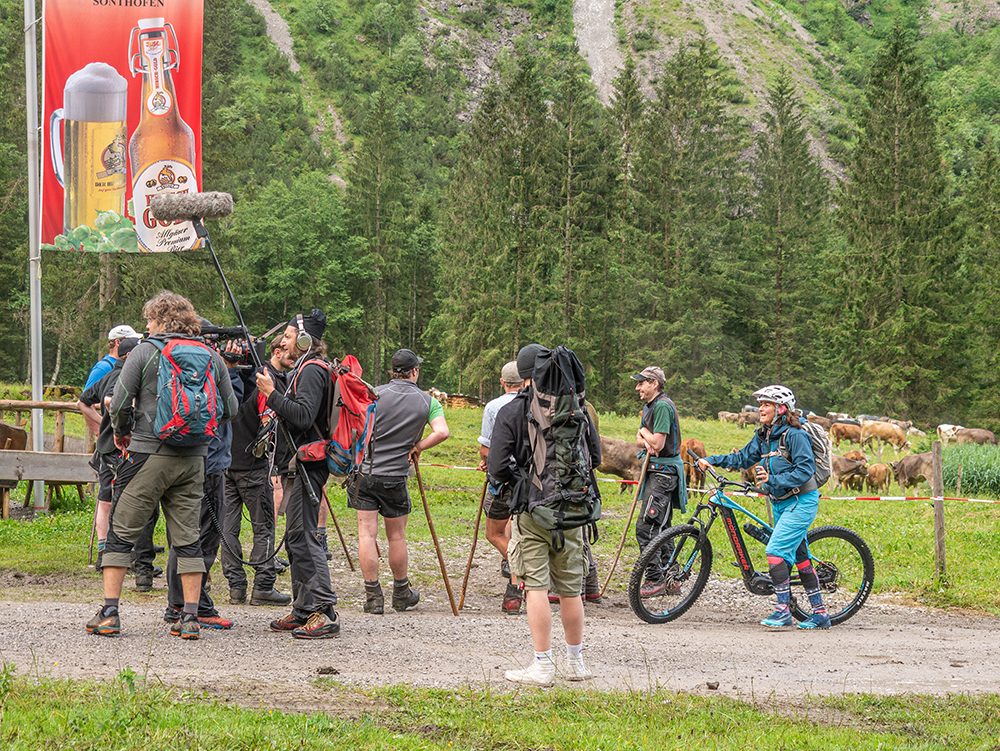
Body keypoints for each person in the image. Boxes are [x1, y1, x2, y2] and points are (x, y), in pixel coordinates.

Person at [88, 291, 237, 640]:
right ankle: (188, 619)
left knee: (122, 531)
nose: (146, 324)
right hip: (194, 460)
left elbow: (120, 403)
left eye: (149, 318)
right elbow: (229, 409)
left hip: (147, 455)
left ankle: (109, 612)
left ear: (161, 319)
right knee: (188, 540)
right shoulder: (211, 356)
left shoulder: (145, 351)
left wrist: (123, 435)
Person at [489, 344, 600, 686]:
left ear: (523, 374)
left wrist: (518, 483)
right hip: (573, 511)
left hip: (533, 511)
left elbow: (496, 466)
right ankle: (576, 663)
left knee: (534, 587)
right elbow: (594, 457)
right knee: (571, 590)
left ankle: (542, 665)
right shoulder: (576, 408)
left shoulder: (513, 411)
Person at [698, 385, 831, 629]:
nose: (760, 408)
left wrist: (773, 481)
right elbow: (741, 459)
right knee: (801, 558)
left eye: (766, 404)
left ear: (781, 409)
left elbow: (804, 470)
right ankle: (820, 613)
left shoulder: (795, 434)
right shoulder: (764, 435)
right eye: (760, 404)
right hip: (780, 502)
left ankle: (782, 611)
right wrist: (711, 460)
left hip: (801, 501)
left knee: (776, 550)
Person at [256, 310, 341, 639]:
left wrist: (271, 394)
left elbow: (304, 417)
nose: (283, 341)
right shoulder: (308, 369)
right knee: (295, 536)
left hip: (308, 464)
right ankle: (303, 608)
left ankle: (324, 609)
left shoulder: (310, 371)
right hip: (300, 464)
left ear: (305, 341)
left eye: (289, 336)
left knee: (304, 537)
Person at [349, 348, 450, 615]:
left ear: (393, 371)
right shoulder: (428, 401)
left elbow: (357, 427)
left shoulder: (375, 394)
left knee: (366, 535)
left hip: (365, 474)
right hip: (395, 476)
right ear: (415, 371)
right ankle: (401, 592)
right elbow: (442, 432)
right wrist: (418, 447)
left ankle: (373, 597)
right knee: (396, 536)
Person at [221, 335, 293, 606]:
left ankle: (236, 586)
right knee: (263, 527)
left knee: (229, 527)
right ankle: (263, 584)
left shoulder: (224, 382)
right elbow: (268, 425)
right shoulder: (262, 387)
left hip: (226, 463)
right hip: (252, 465)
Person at [76, 336, 141, 571]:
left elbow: (82, 403)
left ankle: (105, 552)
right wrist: (119, 428)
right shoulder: (126, 378)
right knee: (126, 501)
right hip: (122, 449)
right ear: (131, 356)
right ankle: (120, 553)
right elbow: (112, 400)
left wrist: (100, 423)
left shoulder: (108, 375)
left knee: (105, 501)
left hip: (106, 448)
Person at [631, 366, 687, 598]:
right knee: (661, 528)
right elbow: (639, 440)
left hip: (664, 475)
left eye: (642, 382)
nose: (637, 387)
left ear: (654, 383)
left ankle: (655, 579)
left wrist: (645, 432)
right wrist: (645, 435)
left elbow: (658, 444)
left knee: (647, 527)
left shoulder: (662, 406)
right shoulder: (650, 406)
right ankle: (671, 577)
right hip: (656, 472)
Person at [477, 360, 524, 614]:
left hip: (505, 480)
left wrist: (486, 462)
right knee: (521, 532)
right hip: (533, 480)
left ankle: (520, 578)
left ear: (502, 382)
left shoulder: (494, 406)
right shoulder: (536, 404)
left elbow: (487, 448)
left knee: (494, 534)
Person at [84, 324, 139, 392]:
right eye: (130, 341)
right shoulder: (103, 368)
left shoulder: (128, 364)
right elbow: (86, 398)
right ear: (118, 342)